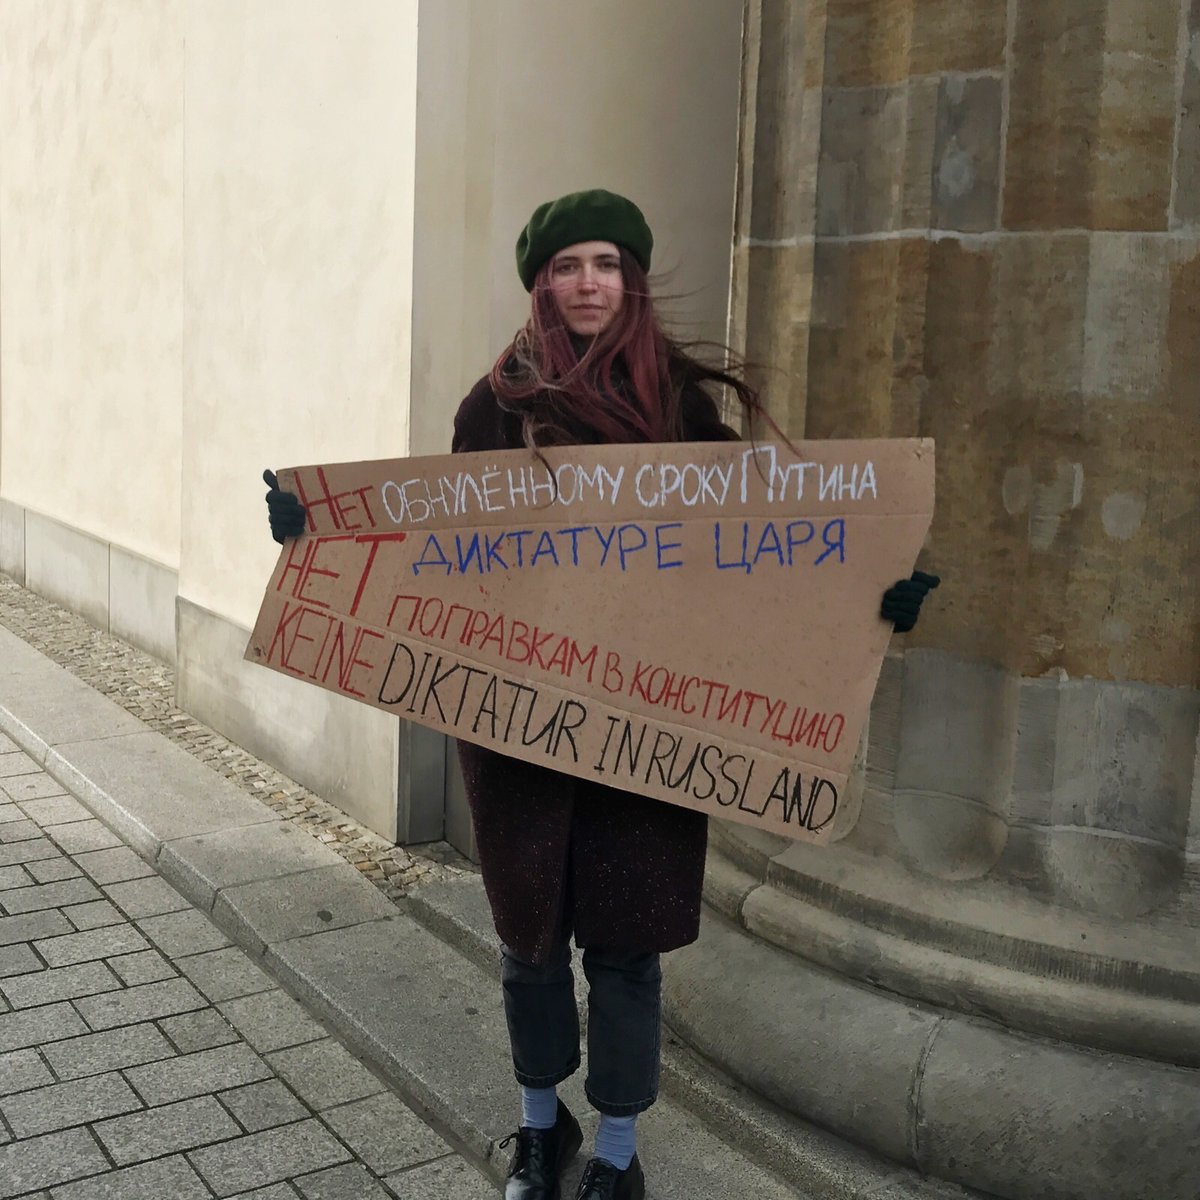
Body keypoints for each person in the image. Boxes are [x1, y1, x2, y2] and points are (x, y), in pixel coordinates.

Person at [264, 189, 940, 1200]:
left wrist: (871, 600)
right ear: (543, 283)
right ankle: (543, 1130)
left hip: (646, 730)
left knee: (626, 951)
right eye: (570, 265)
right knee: (529, 942)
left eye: (608, 264)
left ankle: (616, 1155)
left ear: (633, 281)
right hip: (523, 729)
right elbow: (435, 547)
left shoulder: (681, 410)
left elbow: (770, 558)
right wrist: (316, 533)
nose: (590, 282)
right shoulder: (495, 406)